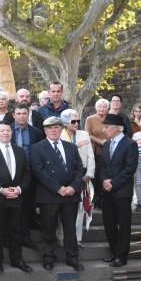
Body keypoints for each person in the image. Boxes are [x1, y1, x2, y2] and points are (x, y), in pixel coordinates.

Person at [30, 116, 86, 271]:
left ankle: (72, 258)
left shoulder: (71, 147)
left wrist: (73, 187)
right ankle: (48, 257)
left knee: (70, 228)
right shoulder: (37, 148)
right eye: (50, 128)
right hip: (49, 195)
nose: (53, 130)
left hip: (70, 194)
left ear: (62, 129)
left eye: (56, 127)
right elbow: (39, 172)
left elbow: (79, 169)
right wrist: (58, 188)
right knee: (48, 228)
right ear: (45, 130)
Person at [0, 121, 33, 273]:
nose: (6, 133)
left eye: (8, 130)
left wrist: (20, 189)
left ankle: (17, 260)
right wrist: (1, 189)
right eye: (2, 130)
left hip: (15, 197)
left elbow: (27, 173)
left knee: (15, 232)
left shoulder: (19, 151)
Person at [99, 114, 139, 267]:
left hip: (122, 192)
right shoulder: (108, 144)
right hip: (107, 191)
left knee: (123, 224)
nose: (104, 130)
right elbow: (102, 165)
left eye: (106, 127)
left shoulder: (130, 144)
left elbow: (130, 169)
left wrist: (113, 183)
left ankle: (121, 256)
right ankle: (114, 251)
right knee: (109, 223)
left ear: (116, 128)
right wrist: (104, 180)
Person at [58, 108, 95, 247]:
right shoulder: (59, 134)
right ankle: (61, 237)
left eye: (78, 121)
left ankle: (78, 238)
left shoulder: (84, 134)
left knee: (80, 208)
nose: (76, 123)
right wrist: (75, 145)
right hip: (65, 175)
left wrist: (89, 174)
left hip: (82, 174)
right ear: (65, 122)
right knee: (64, 208)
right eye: (73, 121)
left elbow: (90, 155)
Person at [11, 104, 46, 249]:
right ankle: (11, 237)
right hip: (10, 175)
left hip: (29, 176)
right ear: (13, 115)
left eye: (24, 113)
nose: (21, 116)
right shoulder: (6, 131)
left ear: (28, 115)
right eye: (18, 113)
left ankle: (25, 237)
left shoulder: (36, 133)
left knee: (26, 207)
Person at [85, 99, 110, 209]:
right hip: (95, 151)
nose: (102, 109)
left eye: (104, 107)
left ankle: (104, 200)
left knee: (105, 176)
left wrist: (107, 142)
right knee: (94, 177)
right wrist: (100, 141)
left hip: (108, 151)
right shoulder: (90, 119)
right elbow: (88, 134)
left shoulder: (109, 119)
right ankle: (95, 200)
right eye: (100, 106)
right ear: (96, 108)